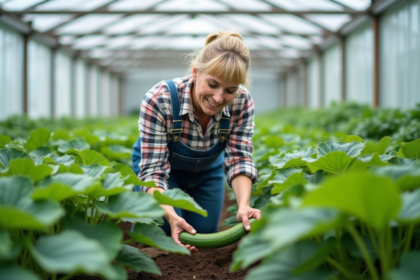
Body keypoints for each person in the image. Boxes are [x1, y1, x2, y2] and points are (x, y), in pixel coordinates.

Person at [131, 30, 261, 253]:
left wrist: (243, 205)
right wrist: (171, 216)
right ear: (195, 73)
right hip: (163, 171)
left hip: (207, 172)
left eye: (230, 90)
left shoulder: (242, 102)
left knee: (203, 233)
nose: (219, 98)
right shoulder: (160, 99)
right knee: (162, 230)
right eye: (212, 84)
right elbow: (153, 172)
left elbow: (240, 160)